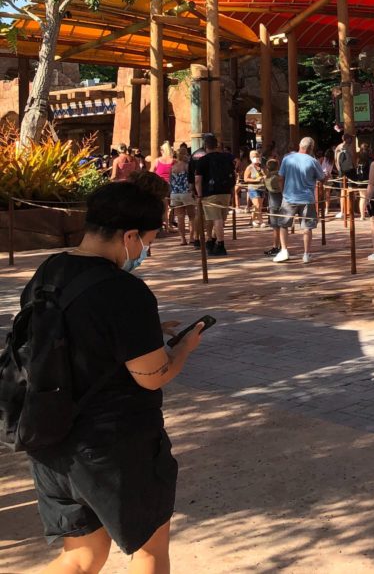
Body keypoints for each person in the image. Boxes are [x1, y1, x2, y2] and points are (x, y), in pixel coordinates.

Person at [22, 179, 205, 572]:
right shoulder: (125, 291)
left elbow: (79, 332)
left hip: (50, 435)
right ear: (130, 236)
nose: (145, 252)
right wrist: (183, 349)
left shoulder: (49, 271)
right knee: (148, 550)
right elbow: (152, 375)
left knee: (82, 556)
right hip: (114, 445)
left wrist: (147, 332)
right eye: (148, 241)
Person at [276, 136, 326, 264]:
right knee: (307, 227)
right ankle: (306, 254)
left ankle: (284, 250)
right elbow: (322, 178)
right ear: (311, 148)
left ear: (300, 145)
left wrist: (283, 192)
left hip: (289, 197)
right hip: (307, 199)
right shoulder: (313, 161)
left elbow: (280, 177)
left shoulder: (287, 159)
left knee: (283, 225)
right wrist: (327, 176)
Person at [192, 134, 236, 257]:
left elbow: (197, 180)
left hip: (210, 193)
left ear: (205, 146)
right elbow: (233, 174)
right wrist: (232, 191)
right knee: (221, 218)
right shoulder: (226, 158)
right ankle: (214, 240)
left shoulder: (202, 160)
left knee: (216, 219)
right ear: (216, 145)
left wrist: (199, 195)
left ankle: (220, 244)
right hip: (225, 192)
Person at [167, 147, 194, 246]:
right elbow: (192, 180)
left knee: (180, 217)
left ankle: (183, 239)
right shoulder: (187, 166)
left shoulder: (172, 167)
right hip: (186, 192)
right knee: (192, 216)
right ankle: (192, 237)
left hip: (175, 193)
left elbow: (170, 181)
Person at [262, 158, 285, 257]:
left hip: (273, 204)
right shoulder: (280, 177)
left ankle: (276, 246)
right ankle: (281, 246)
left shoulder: (267, 177)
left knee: (275, 227)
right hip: (281, 203)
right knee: (282, 226)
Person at [243, 150, 266, 228]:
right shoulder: (249, 167)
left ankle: (252, 220)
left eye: (257, 156)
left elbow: (266, 175)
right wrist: (256, 180)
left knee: (258, 206)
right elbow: (245, 179)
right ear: (250, 158)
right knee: (257, 205)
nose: (256, 158)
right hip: (253, 188)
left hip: (262, 188)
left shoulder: (261, 167)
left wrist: (264, 176)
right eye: (254, 156)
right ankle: (261, 221)